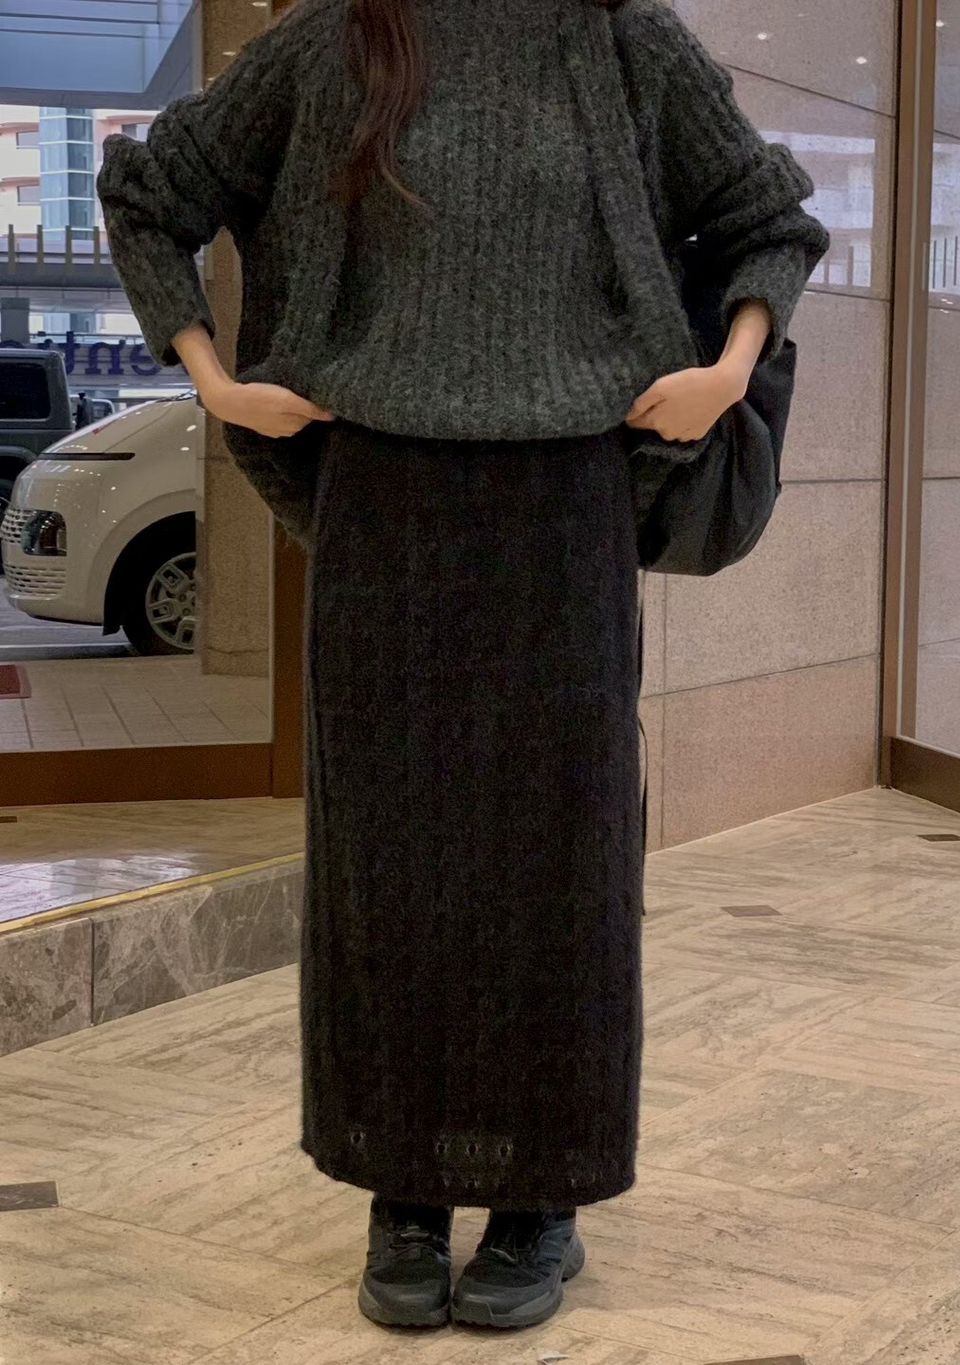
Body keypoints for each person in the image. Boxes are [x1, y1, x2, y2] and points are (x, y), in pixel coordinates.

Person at [97, 0, 828, 1333]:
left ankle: (542, 1194)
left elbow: (768, 220)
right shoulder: (336, 38)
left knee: (561, 857)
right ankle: (407, 1188)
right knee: (389, 859)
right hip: (384, 499)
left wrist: (728, 371)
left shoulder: (621, 39)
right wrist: (215, 382)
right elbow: (152, 192)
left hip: (567, 500)